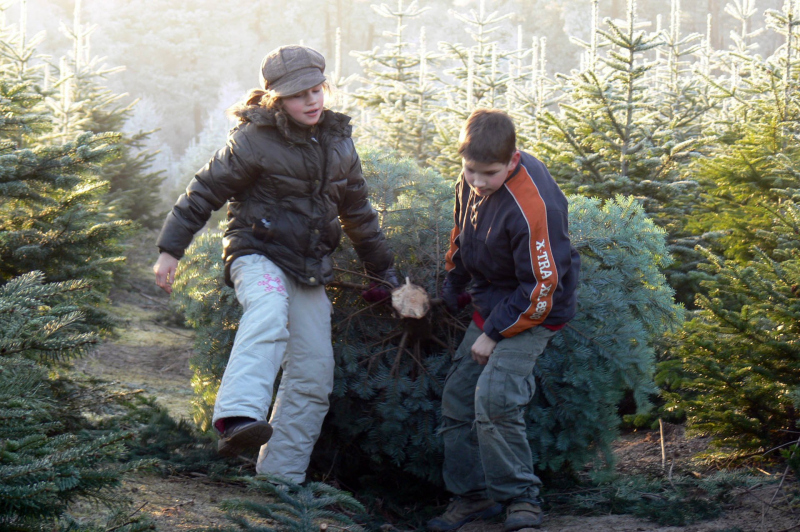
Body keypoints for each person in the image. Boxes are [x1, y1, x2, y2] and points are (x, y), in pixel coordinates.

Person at [152, 45, 398, 483]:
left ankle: (280, 481)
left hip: (310, 267)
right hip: (257, 255)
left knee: (314, 374)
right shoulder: (254, 139)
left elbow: (359, 215)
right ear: (277, 99)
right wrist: (170, 250)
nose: (311, 100)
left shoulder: (340, 142)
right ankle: (237, 417)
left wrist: (386, 276)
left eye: (316, 89)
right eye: (298, 94)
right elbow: (204, 191)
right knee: (267, 311)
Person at [428, 109, 580, 531]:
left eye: (489, 173)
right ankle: (473, 496)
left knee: (494, 399)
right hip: (493, 300)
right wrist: (454, 280)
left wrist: (493, 333)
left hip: (536, 309)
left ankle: (521, 500)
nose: (477, 181)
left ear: (512, 160)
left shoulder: (533, 205)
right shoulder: (473, 177)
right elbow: (461, 232)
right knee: (458, 398)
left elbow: (542, 287)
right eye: (469, 170)